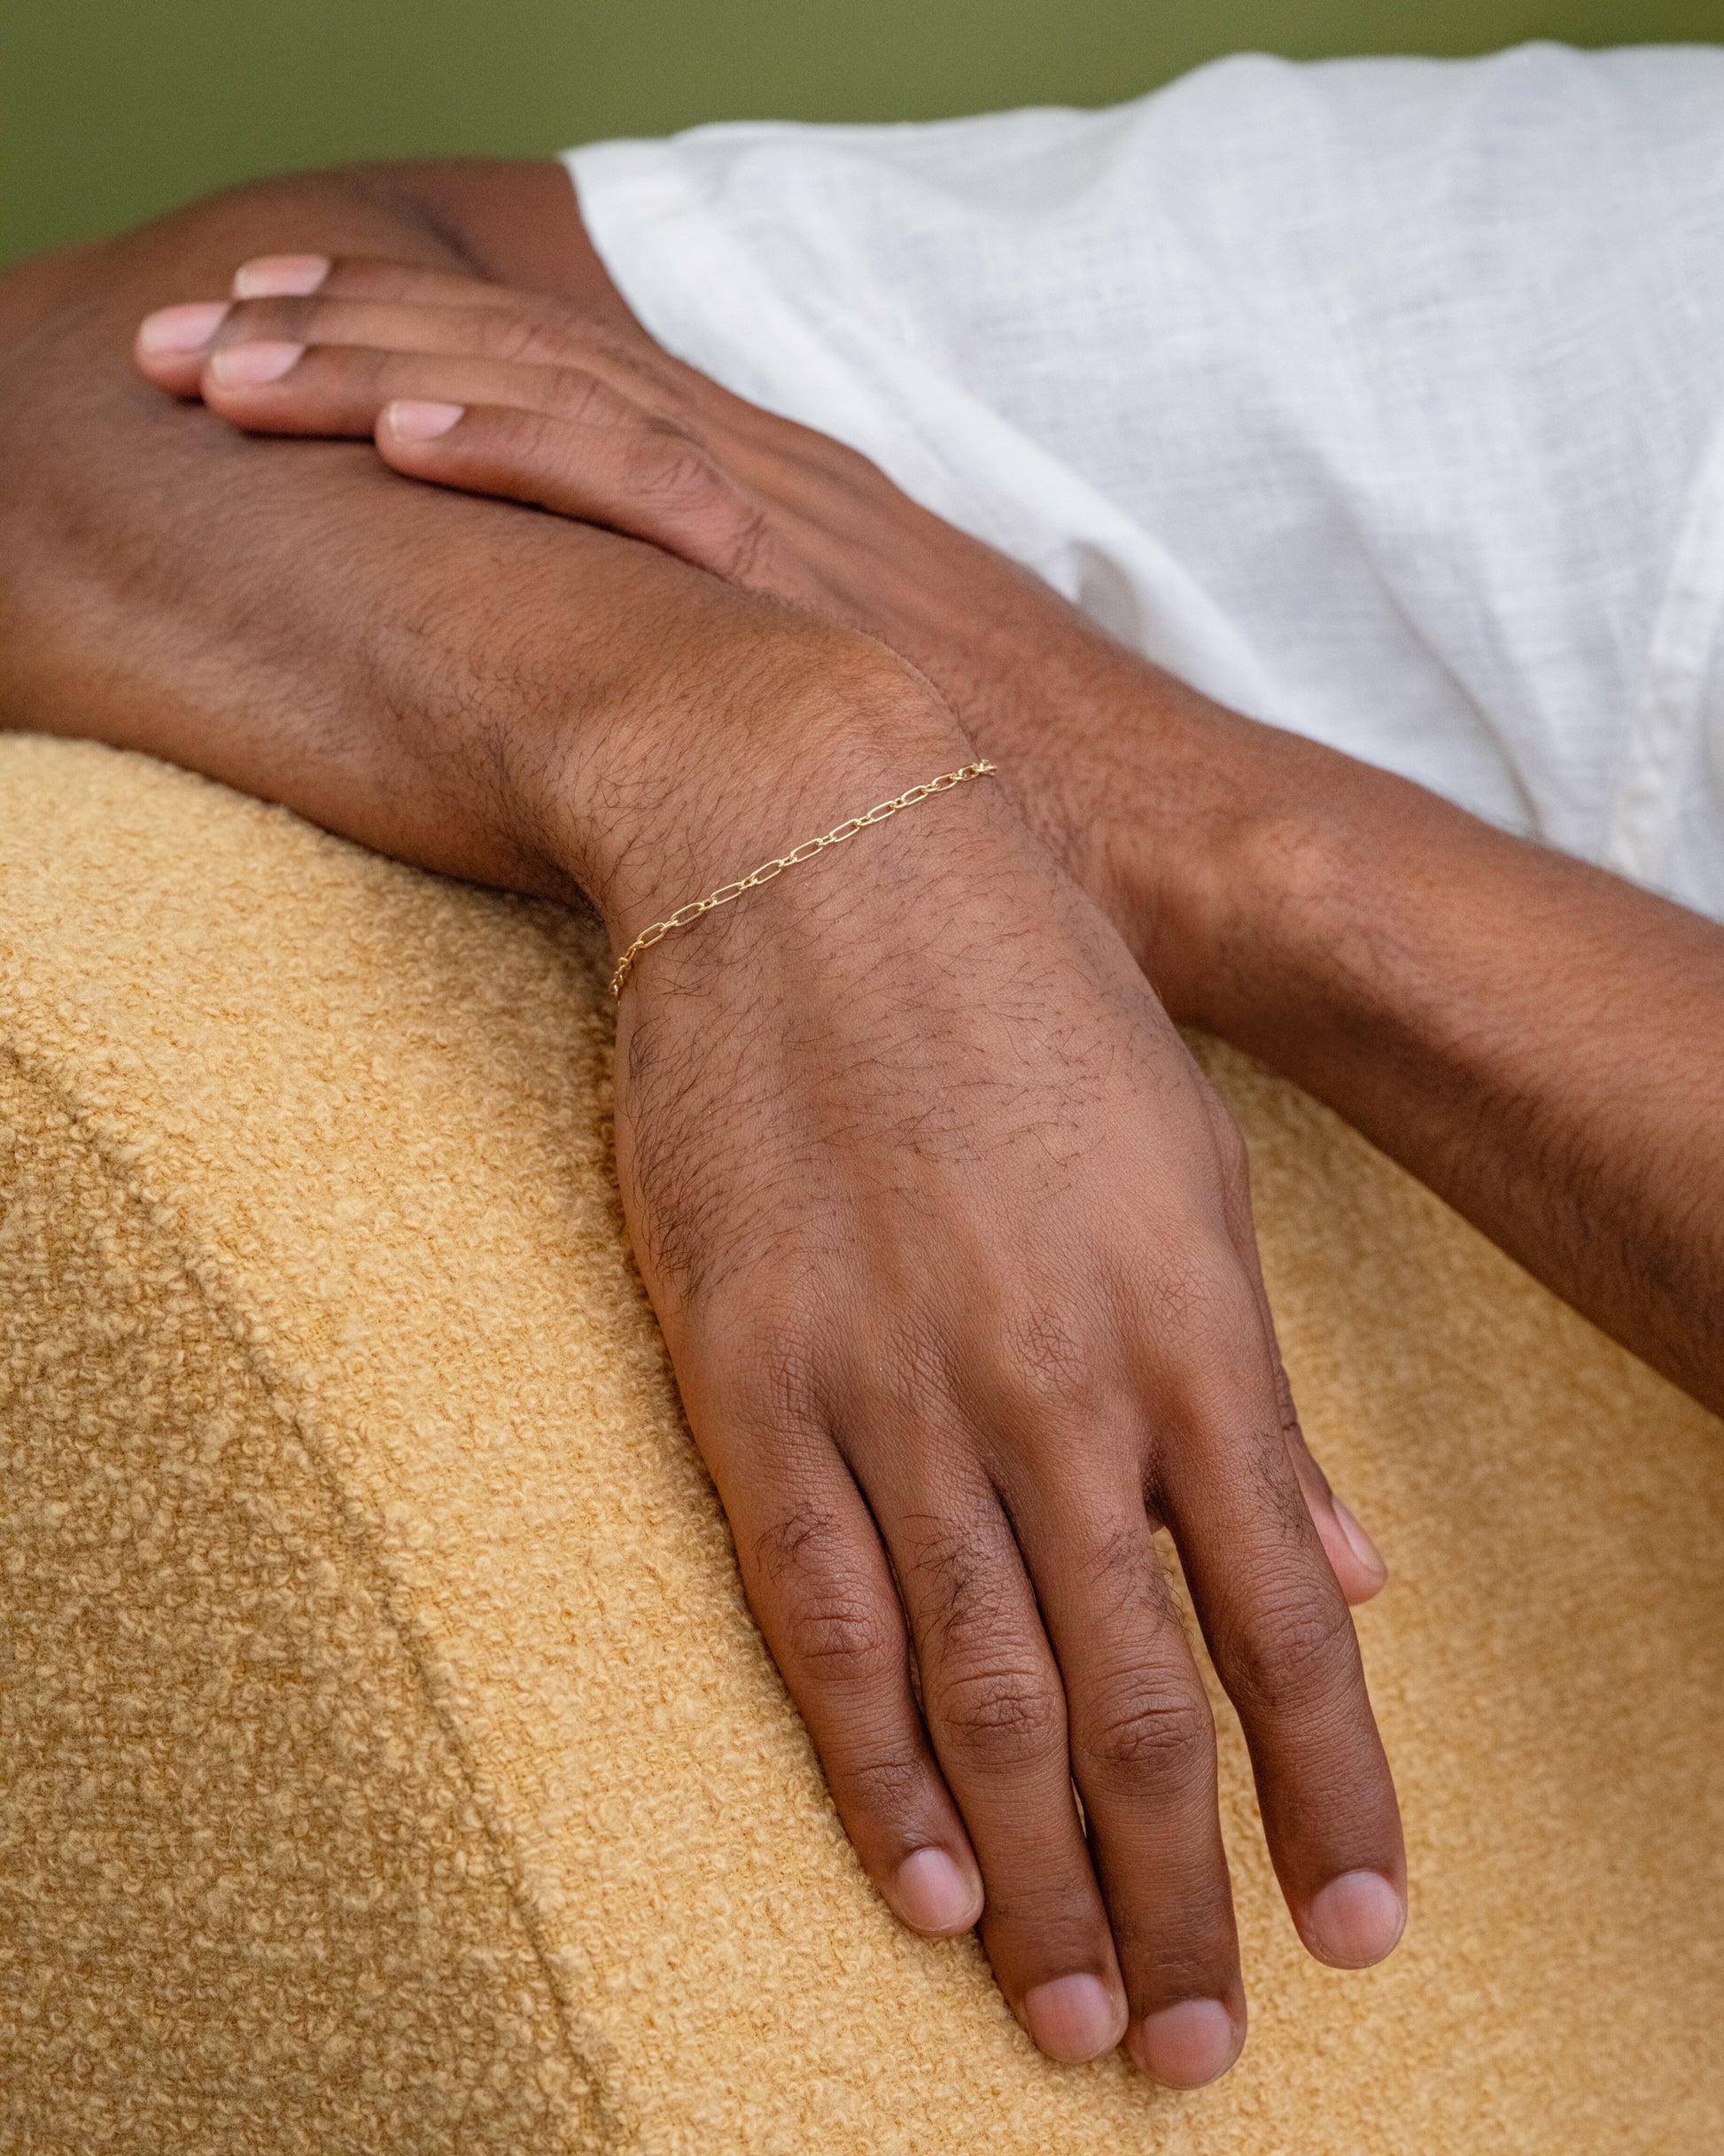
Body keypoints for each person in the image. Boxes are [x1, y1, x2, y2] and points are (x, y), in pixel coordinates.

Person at [4, 39, 1721, 2095]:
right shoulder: (1625, 289)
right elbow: (90, 375)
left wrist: (1196, 815)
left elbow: (1164, 799)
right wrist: (769, 754)